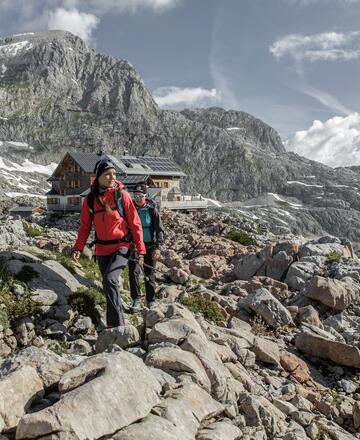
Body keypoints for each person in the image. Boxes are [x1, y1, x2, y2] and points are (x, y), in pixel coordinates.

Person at [71, 159, 146, 328]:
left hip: (122, 246)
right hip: (102, 249)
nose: (112, 177)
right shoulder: (90, 200)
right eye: (108, 174)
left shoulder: (122, 195)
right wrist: (78, 247)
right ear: (98, 177)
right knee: (108, 284)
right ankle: (117, 321)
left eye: (114, 174)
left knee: (110, 279)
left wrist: (141, 251)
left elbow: (135, 223)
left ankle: (116, 325)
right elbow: (85, 226)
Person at [129, 184, 164, 312]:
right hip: (135, 246)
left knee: (150, 273)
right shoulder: (130, 209)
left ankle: (151, 300)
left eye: (141, 196)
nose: (138, 198)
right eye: (136, 196)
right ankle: (136, 299)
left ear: (145, 196)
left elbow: (159, 230)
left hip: (150, 246)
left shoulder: (152, 210)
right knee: (134, 272)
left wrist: (158, 247)